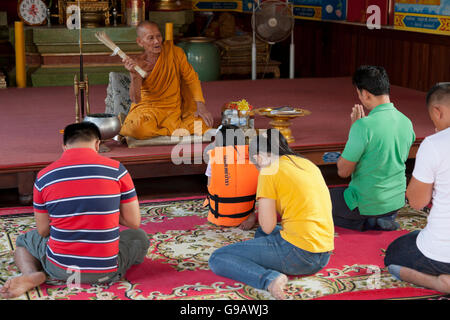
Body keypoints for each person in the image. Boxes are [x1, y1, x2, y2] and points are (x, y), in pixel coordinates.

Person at [0, 122, 149, 299]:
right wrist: (102, 215)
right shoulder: (117, 171)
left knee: (25, 240)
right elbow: (133, 222)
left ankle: (32, 273)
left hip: (61, 270)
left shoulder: (43, 177)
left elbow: (43, 230)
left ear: (64, 147)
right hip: (106, 271)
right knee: (139, 237)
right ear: (97, 144)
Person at [208, 129, 334, 299]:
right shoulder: (306, 163)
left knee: (218, 258)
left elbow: (268, 227)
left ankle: (269, 279)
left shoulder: (268, 170)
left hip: (300, 255)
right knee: (259, 234)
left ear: (259, 157)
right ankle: (273, 265)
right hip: (324, 253)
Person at [331, 65, 416, 231]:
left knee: (318, 198)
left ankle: (367, 221)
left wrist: (354, 129)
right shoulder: (406, 122)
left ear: (365, 94)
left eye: (359, 94)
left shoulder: (363, 126)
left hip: (367, 203)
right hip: (396, 201)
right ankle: (382, 217)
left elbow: (343, 171)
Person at [384, 83, 450, 293]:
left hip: (442, 254)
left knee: (395, 252)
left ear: (437, 111)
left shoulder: (434, 143)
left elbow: (417, 202)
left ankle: (441, 283)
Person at [119, 21, 214, 140]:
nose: (157, 41)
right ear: (140, 42)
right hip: (149, 110)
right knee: (136, 128)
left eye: (158, 36)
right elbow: (135, 99)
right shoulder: (138, 64)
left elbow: (191, 79)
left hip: (174, 110)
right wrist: (133, 74)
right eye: (151, 38)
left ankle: (164, 131)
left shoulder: (175, 53)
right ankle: (174, 131)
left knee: (204, 124)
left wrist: (201, 106)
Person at [204, 124, 259, 230]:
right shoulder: (253, 157)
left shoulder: (214, 158)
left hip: (219, 216)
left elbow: (209, 185)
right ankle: (251, 215)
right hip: (245, 214)